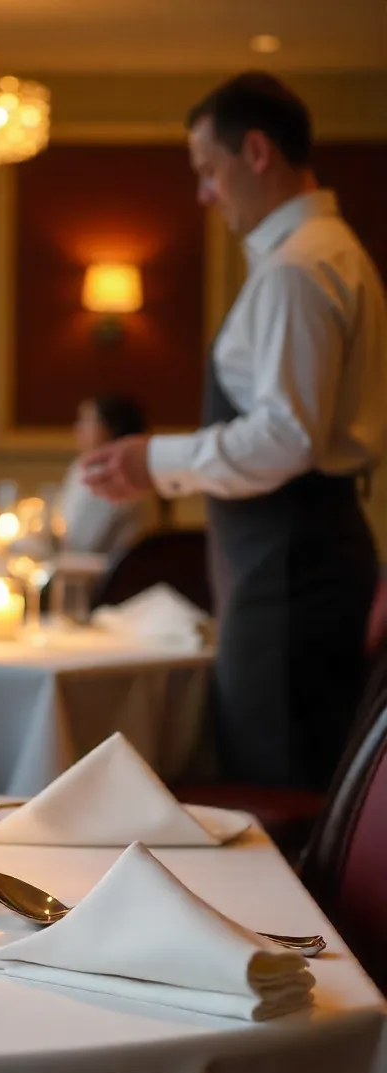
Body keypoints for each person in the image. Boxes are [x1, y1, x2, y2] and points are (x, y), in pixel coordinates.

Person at [82, 72, 387, 790]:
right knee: (286, 765)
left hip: (289, 570)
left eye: (208, 170)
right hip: (299, 557)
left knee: (277, 778)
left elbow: (286, 436)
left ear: (255, 152)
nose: (204, 194)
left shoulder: (298, 266)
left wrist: (155, 460)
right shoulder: (325, 251)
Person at [59, 394, 150, 557]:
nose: (77, 429)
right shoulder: (80, 468)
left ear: (110, 428)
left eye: (86, 421)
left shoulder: (113, 474)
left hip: (110, 569)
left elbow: (84, 544)